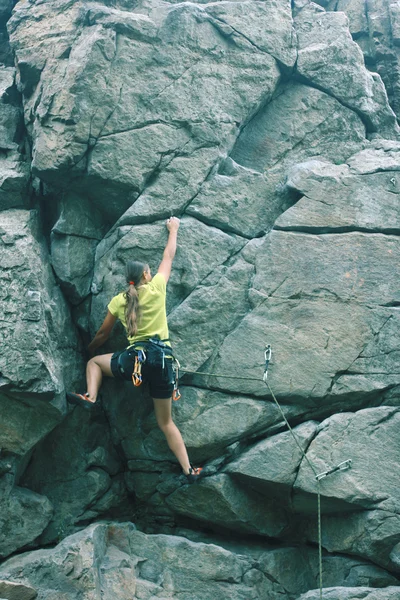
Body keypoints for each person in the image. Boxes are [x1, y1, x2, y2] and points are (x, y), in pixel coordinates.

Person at [67, 217, 203, 483]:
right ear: (145, 275)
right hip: (163, 362)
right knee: (166, 423)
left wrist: (91, 349)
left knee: (94, 364)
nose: (152, 273)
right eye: (149, 271)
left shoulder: (120, 300)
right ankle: (189, 470)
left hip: (134, 362)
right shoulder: (156, 288)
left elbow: (104, 333)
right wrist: (173, 229)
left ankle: (91, 397)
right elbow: (169, 256)